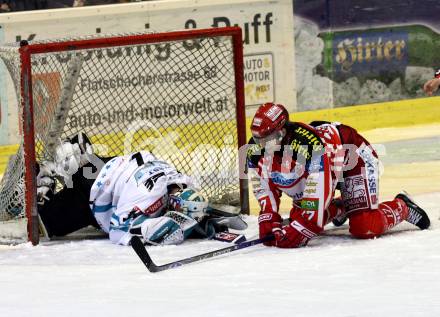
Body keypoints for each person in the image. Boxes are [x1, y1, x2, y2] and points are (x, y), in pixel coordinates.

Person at [247, 102, 431, 248]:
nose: (262, 145)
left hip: (353, 157)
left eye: (268, 139)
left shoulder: (311, 148)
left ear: (283, 131)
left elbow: (316, 198)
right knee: (299, 219)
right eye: (258, 139)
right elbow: (263, 187)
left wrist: (304, 227)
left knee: (365, 227)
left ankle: (403, 206)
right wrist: (268, 218)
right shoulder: (256, 149)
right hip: (326, 168)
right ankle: (343, 206)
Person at [36, 133, 236, 245]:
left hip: (111, 166)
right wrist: (159, 231)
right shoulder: (148, 196)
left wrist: (204, 220)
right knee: (45, 225)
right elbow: (118, 230)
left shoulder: (183, 182)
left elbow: (193, 206)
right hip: (93, 191)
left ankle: (66, 168)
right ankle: (43, 182)